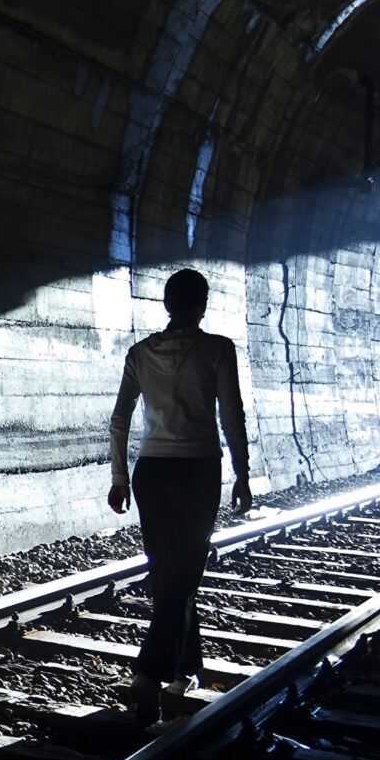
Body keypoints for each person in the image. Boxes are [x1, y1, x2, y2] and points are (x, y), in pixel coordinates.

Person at [108, 268, 252, 722]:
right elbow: (232, 415)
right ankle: (148, 675)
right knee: (182, 575)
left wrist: (119, 478)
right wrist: (242, 474)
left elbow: (119, 420)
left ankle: (188, 666)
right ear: (202, 304)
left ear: (167, 305)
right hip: (197, 470)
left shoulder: (139, 353)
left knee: (169, 573)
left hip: (150, 471)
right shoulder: (217, 349)